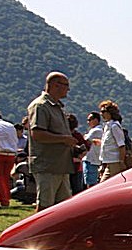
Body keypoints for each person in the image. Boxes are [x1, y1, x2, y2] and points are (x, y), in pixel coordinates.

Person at [27, 72, 77, 211]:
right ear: (55, 85)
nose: (68, 89)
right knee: (45, 205)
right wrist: (64, 139)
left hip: (61, 165)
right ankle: (37, 232)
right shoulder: (40, 106)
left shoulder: (57, 107)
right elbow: (37, 134)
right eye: (66, 85)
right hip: (47, 165)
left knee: (64, 207)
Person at [0, 112, 19, 207]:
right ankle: (7, 196)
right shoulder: (10, 125)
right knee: (6, 177)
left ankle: (3, 200)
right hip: (11, 154)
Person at [98, 100, 130, 182]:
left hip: (115, 162)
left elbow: (121, 145)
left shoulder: (114, 126)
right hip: (108, 162)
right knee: (103, 185)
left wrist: (122, 161)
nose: (101, 114)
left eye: (103, 111)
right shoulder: (107, 126)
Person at [67, 114, 88, 194]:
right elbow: (86, 149)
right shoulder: (78, 135)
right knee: (77, 190)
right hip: (77, 166)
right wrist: (79, 158)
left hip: (72, 166)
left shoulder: (64, 136)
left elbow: (85, 149)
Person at [82, 111, 103, 187]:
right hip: (95, 159)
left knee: (90, 182)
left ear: (96, 120)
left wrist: (86, 136)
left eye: (90, 119)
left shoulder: (96, 130)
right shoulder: (100, 130)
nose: (88, 122)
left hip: (91, 159)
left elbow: (85, 140)